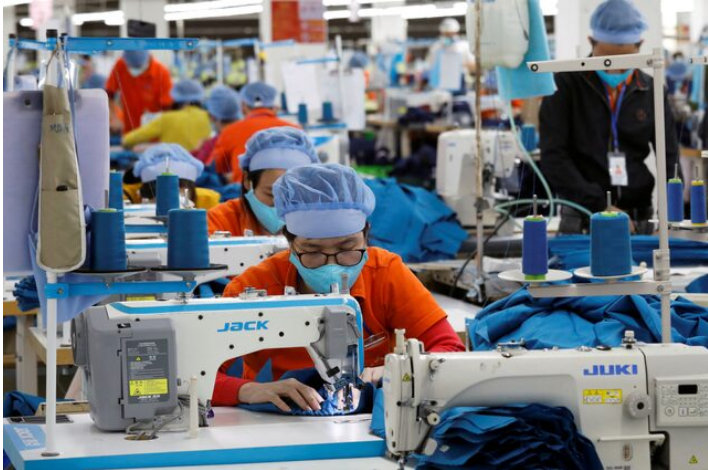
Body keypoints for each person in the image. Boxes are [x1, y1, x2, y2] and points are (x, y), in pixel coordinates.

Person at [212, 163, 465, 410]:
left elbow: (450, 350)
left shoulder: (386, 273)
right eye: (313, 251)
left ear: (366, 234)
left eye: (347, 248)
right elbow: (195, 374)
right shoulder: (253, 287)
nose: (332, 266)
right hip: (274, 421)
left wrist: (399, 369)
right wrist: (248, 390)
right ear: (289, 242)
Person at [539, 0, 679, 234]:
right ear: (591, 43)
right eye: (607, 59)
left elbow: (669, 157)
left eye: (624, 62)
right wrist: (600, 205)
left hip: (639, 216)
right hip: (583, 217)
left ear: (639, 46)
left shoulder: (652, 90)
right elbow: (554, 157)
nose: (614, 69)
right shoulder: (565, 86)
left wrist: (673, 216)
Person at [207, 127, 319, 236]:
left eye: (295, 197)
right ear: (247, 181)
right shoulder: (220, 221)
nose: (282, 208)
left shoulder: (320, 221)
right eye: (271, 195)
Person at [210, 81, 299, 181]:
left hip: (244, 189)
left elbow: (219, 168)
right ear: (274, 106)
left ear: (243, 106)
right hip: (287, 189)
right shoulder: (295, 130)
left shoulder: (229, 132)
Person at [122, 79, 211, 152]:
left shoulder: (167, 118)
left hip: (169, 166)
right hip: (200, 166)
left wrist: (125, 141)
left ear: (176, 97)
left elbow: (131, 138)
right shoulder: (207, 117)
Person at [124, 143, 221, 210]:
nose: (171, 197)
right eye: (163, 191)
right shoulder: (128, 200)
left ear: (191, 189)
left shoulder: (207, 201)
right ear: (146, 194)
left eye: (179, 187)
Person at [105, 50, 173, 135]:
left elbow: (168, 108)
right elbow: (108, 94)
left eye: (138, 67)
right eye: (130, 66)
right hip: (129, 132)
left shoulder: (162, 74)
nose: (133, 70)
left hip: (153, 134)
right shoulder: (121, 65)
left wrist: (153, 117)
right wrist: (114, 118)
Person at [194, 85, 242, 164]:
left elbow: (197, 168)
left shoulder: (214, 144)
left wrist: (197, 150)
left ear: (212, 117)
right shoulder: (248, 138)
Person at [425, 18, 475, 92]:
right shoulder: (436, 46)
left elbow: (474, 65)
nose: (448, 36)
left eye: (450, 34)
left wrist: (459, 64)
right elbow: (429, 64)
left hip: (459, 82)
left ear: (456, 33)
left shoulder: (464, 46)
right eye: (445, 34)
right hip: (440, 83)